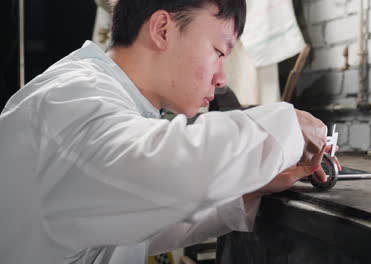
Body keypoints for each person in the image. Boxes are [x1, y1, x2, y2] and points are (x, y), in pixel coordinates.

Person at [0, 0, 330, 263]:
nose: (222, 77)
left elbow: (124, 228)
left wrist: (248, 192)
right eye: (218, 51)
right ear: (162, 29)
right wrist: (289, 126)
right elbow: (158, 165)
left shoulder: (107, 98)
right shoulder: (71, 99)